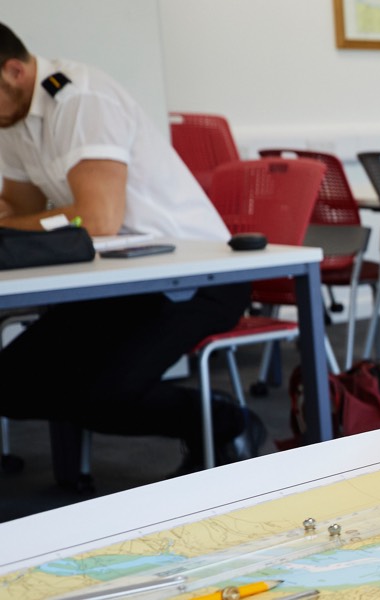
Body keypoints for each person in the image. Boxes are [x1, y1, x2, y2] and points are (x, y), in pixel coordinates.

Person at [0, 22, 264, 477]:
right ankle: (186, 416)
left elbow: (97, 218)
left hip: (195, 275)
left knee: (105, 395)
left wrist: (14, 224)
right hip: (114, 279)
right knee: (10, 385)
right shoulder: (12, 119)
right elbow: (20, 212)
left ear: (14, 72)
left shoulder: (79, 100)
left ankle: (226, 422)